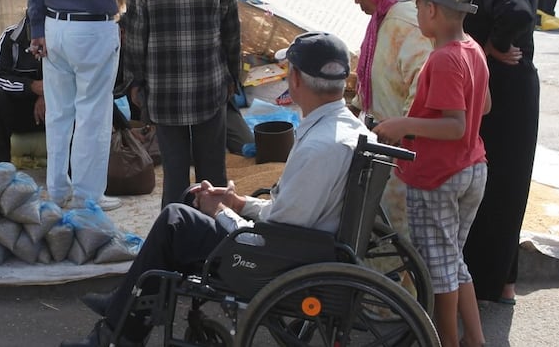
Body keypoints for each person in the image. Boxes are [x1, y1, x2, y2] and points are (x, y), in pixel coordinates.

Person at [61, 31, 369, 347]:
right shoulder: (348, 130)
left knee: (176, 220)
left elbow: (281, 229)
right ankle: (123, 311)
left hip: (278, 260)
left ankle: (116, 328)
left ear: (298, 80)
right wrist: (238, 203)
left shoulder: (319, 147)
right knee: (188, 209)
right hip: (306, 246)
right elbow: (289, 214)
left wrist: (221, 213)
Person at [373, 0, 490, 347]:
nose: (417, 16)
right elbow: (483, 105)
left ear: (433, 10)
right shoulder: (473, 48)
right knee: (453, 262)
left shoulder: (443, 59)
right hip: (473, 167)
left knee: (438, 272)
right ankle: (475, 339)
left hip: (439, 174)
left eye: (420, 7)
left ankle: (446, 342)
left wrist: (402, 124)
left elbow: (455, 125)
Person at [27, 0, 142, 211]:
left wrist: (38, 29)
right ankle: (87, 197)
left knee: (60, 113)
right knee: (93, 114)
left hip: (52, 28)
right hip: (92, 30)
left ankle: (57, 190)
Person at [123, 0, 240, 207]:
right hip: (209, 84)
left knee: (175, 172)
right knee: (212, 168)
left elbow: (134, 30)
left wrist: (135, 80)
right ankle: (214, 235)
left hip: (163, 87)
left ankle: (174, 236)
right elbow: (231, 27)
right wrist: (233, 75)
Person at [459, 0, 539, 306]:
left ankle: (490, 284)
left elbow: (518, 13)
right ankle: (503, 282)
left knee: (495, 188)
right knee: (508, 188)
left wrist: (495, 45)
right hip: (513, 93)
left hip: (504, 98)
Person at [346, 0, 433, 238]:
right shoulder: (382, 17)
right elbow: (373, 71)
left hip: (398, 144)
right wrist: (356, 106)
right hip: (382, 136)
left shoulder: (404, 22)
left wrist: (403, 128)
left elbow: (421, 83)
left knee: (395, 225)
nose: (357, 1)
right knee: (380, 219)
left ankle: (396, 281)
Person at [0, 14, 46, 164]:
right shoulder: (10, 38)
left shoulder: (64, 37)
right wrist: (31, 87)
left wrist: (46, 95)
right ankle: (3, 166)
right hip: (19, 114)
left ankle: (71, 173)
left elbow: (73, 76)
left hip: (53, 110)